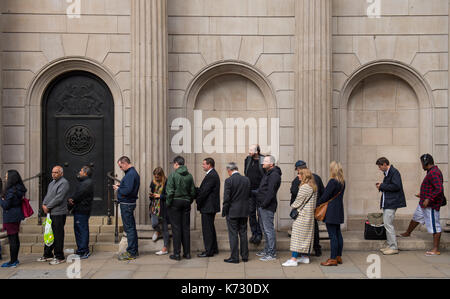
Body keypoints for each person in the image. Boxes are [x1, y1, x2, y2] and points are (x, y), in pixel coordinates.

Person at [399, 154, 445, 256]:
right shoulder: (431, 172)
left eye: (421, 163)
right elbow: (432, 187)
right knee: (416, 217)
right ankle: (408, 233)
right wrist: (423, 194)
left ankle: (435, 249)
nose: (421, 166)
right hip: (423, 203)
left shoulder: (434, 173)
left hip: (431, 206)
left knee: (435, 226)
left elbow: (439, 189)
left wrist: (429, 198)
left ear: (425, 163)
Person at [283, 168, 318, 267]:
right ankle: (305, 257)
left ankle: (293, 259)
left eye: (299, 174)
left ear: (304, 175)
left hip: (302, 215)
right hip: (309, 215)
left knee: (297, 237)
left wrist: (292, 205)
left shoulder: (304, 187)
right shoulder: (313, 187)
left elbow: (298, 202)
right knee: (306, 237)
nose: (298, 175)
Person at [290, 160, 325, 256]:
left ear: (298, 169)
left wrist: (294, 206)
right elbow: (323, 192)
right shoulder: (316, 177)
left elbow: (293, 193)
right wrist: (317, 204)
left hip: (303, 210)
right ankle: (316, 249)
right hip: (314, 208)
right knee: (313, 230)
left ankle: (301, 253)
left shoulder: (298, 180)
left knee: (300, 233)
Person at [166, 156, 196, 261]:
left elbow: (169, 192)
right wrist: (189, 200)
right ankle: (187, 253)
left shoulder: (173, 175)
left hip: (175, 202)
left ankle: (177, 253)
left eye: (173, 164)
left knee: (176, 228)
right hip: (186, 203)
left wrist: (168, 203)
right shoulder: (189, 176)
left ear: (176, 164)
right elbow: (193, 191)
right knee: (185, 228)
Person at [38, 166, 70, 265]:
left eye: (56, 172)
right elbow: (48, 195)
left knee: (58, 235)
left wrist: (48, 206)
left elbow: (59, 198)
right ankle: (48, 254)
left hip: (59, 213)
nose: (53, 174)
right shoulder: (52, 183)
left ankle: (59, 256)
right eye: (53, 172)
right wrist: (44, 204)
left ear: (61, 173)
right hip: (50, 213)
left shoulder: (64, 183)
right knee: (49, 233)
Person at [375, 157, 406, 255]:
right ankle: (390, 245)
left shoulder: (394, 172)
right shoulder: (389, 173)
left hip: (392, 202)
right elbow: (391, 186)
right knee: (387, 224)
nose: (379, 168)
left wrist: (382, 186)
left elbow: (397, 186)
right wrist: (381, 185)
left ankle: (393, 247)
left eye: (380, 166)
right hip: (389, 202)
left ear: (385, 164)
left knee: (388, 224)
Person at [222, 163, 251, 264]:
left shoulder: (229, 181)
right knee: (243, 233)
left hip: (232, 211)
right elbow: (249, 195)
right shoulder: (246, 180)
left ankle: (234, 257)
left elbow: (226, 198)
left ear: (229, 170)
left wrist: (224, 210)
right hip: (244, 211)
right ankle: (245, 256)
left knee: (233, 234)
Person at [318, 161, 345, 267]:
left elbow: (325, 196)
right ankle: (338, 256)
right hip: (339, 210)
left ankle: (333, 259)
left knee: (333, 235)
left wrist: (317, 204)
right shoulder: (343, 182)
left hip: (331, 211)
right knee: (338, 233)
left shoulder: (332, 181)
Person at [113, 156, 140, 261]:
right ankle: (133, 251)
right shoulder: (131, 173)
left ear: (125, 163)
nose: (120, 168)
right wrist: (122, 185)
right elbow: (128, 187)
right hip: (129, 204)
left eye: (120, 166)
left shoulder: (130, 174)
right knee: (131, 228)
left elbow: (127, 191)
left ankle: (132, 252)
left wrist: (118, 188)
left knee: (129, 229)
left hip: (127, 204)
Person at [255, 155, 282, 261]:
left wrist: (263, 204)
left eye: (265, 161)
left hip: (267, 207)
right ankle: (267, 250)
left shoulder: (274, 175)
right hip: (263, 206)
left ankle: (271, 253)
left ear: (271, 164)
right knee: (265, 230)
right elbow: (264, 189)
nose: (263, 163)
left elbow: (271, 192)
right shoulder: (268, 173)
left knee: (268, 230)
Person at [0, 170, 27, 268]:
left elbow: (6, 205)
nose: (5, 178)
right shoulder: (19, 188)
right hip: (15, 216)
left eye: (7, 176)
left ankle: (13, 261)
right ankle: (15, 259)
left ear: (11, 178)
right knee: (15, 238)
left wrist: (1, 199)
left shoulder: (11, 191)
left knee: (12, 239)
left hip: (11, 217)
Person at [68, 166, 94, 259]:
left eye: (81, 171)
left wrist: (72, 200)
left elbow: (79, 194)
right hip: (80, 209)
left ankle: (83, 251)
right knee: (79, 230)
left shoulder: (86, 183)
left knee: (82, 230)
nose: (79, 172)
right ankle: (81, 250)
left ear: (85, 173)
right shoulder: (84, 182)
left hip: (82, 210)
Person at [196, 158, 220, 258]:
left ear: (209, 165)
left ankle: (209, 251)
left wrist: (197, 199)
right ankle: (214, 248)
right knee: (210, 228)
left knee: (207, 230)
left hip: (208, 207)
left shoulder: (211, 175)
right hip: (210, 206)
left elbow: (204, 192)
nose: (202, 166)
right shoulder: (212, 174)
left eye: (204, 164)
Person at [244, 144, 265, 245]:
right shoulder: (248, 160)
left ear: (257, 152)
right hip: (250, 191)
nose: (249, 152)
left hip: (260, 191)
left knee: (260, 213)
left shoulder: (263, 160)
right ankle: (254, 233)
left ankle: (259, 234)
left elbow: (266, 176)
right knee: (251, 213)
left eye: (251, 150)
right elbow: (246, 173)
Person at [149, 167, 170, 255]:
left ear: (162, 176)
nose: (156, 178)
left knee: (165, 228)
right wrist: (151, 195)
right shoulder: (153, 182)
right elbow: (151, 193)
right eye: (155, 176)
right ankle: (158, 231)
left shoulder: (167, 182)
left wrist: (160, 196)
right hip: (154, 207)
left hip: (164, 208)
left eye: (158, 177)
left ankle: (165, 248)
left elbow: (169, 196)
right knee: (154, 223)